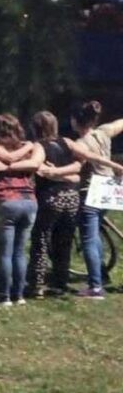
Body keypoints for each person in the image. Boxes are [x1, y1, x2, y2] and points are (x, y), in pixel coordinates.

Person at [63, 101, 123, 300]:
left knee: (88, 238)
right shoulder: (104, 132)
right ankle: (101, 273)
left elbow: (79, 166)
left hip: (91, 192)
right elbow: (118, 124)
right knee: (95, 232)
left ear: (75, 121)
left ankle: (95, 287)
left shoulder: (79, 144)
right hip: (109, 189)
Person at [0, 114, 44, 306]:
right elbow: (36, 164)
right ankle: (19, 295)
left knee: (4, 253)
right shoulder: (31, 147)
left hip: (5, 201)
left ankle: (4, 295)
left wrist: (5, 167)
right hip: (29, 202)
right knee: (19, 252)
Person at [30, 111, 82, 297]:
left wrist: (52, 172)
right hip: (72, 196)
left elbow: (37, 165)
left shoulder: (39, 146)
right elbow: (80, 164)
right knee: (64, 242)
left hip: (51, 197)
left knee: (42, 240)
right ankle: (61, 282)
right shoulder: (67, 142)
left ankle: (37, 284)